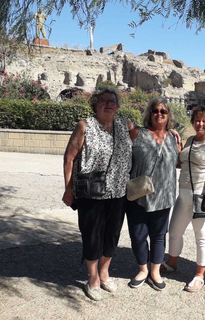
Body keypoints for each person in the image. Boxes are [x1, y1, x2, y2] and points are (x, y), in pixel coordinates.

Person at [62, 87, 134, 301]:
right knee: (92, 236)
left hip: (118, 191)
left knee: (112, 235)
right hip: (91, 192)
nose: (108, 104)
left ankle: (104, 272)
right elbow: (69, 158)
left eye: (112, 100)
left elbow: (149, 134)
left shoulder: (124, 125)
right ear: (95, 104)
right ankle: (92, 277)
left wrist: (170, 132)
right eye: (103, 101)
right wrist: (68, 189)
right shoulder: (85, 126)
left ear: (117, 105)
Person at [162, 106, 205, 293]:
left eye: (204, 121)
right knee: (174, 231)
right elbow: (181, 162)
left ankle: (199, 275)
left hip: (202, 195)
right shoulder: (190, 140)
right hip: (184, 194)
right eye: (197, 120)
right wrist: (177, 142)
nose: (200, 124)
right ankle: (172, 263)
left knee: (202, 237)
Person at [126, 97, 181, 291]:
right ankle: (142, 269)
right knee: (138, 235)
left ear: (168, 116)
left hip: (164, 195)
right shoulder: (137, 133)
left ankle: (155, 271)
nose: (159, 114)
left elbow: (179, 163)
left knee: (159, 235)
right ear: (150, 113)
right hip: (138, 194)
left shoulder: (174, 137)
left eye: (163, 112)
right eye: (156, 111)